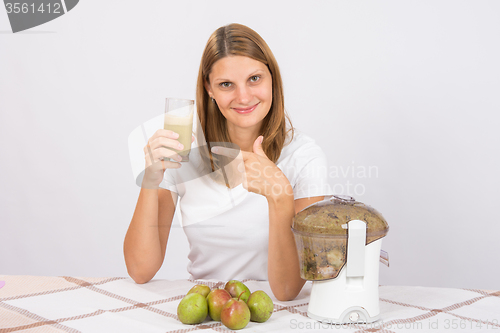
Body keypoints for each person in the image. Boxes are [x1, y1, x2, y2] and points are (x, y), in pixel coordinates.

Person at [124, 23, 331, 301]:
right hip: (206, 308)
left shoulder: (304, 156)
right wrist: (150, 180)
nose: (243, 96)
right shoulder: (183, 149)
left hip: (274, 312)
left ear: (272, 79)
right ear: (209, 87)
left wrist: (280, 196)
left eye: (254, 79)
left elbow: (285, 290)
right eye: (226, 84)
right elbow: (140, 270)